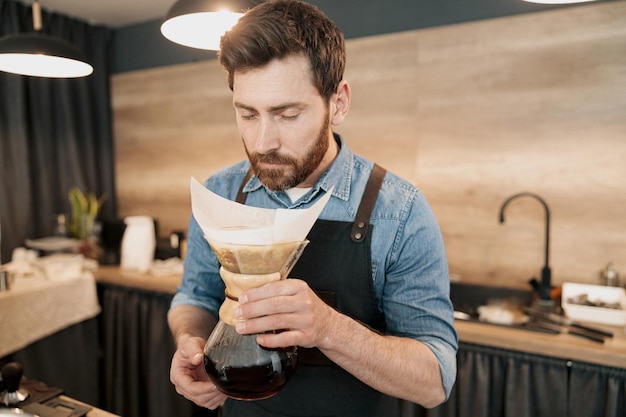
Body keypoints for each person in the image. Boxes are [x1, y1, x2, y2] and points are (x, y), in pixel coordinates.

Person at [168, 1, 458, 416]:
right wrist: (189, 343)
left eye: (287, 114)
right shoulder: (222, 193)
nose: (263, 140)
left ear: (337, 103)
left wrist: (328, 328)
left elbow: (435, 381)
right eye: (248, 114)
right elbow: (193, 298)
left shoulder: (401, 212)